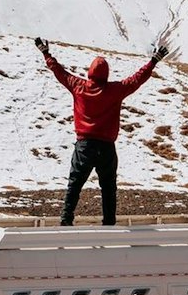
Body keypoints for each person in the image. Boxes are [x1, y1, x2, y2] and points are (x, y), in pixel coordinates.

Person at [35, 37, 167, 226]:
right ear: (106, 74)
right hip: (106, 147)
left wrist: (45, 53)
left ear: (90, 72)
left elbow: (59, 72)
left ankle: (66, 220)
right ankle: (109, 223)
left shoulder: (78, 86)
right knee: (108, 188)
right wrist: (153, 61)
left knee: (75, 184)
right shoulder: (115, 90)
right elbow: (137, 79)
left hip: (84, 146)